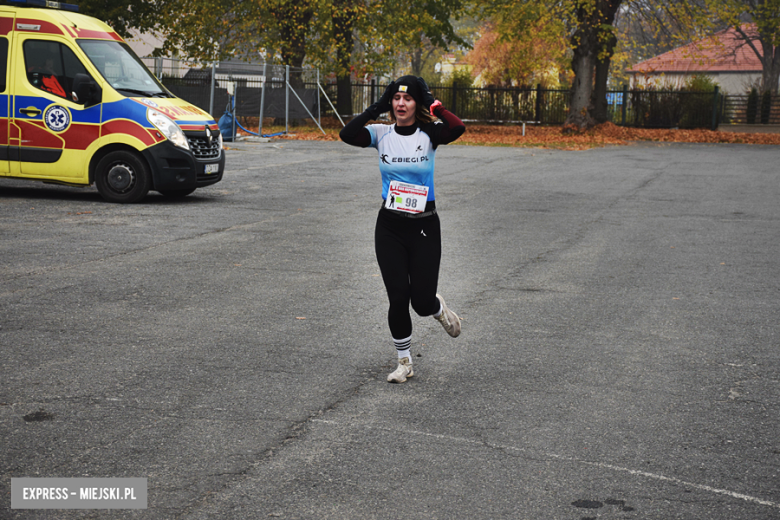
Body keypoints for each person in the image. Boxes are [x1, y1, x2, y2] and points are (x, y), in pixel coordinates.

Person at [339, 75, 466, 383]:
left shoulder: (429, 133)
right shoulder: (381, 134)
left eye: (407, 99)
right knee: (398, 297)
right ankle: (404, 362)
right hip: (390, 226)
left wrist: (434, 104)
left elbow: (457, 128)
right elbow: (347, 134)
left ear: (416, 103)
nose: (400, 104)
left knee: (420, 303)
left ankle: (437, 308)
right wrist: (375, 108)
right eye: (395, 98)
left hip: (424, 226)